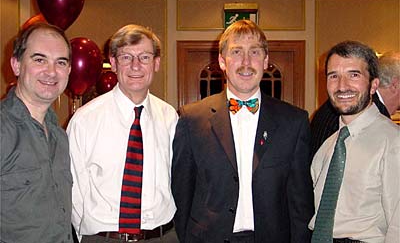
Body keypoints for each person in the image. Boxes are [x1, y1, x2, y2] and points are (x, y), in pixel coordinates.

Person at [171, 20, 314, 243]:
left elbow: (300, 203)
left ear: (266, 61)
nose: (246, 62)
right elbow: (182, 195)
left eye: (254, 52)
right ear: (222, 61)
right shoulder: (190, 119)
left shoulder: (294, 122)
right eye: (236, 52)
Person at [67, 24, 179, 242]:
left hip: (162, 236)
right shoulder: (84, 120)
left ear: (156, 63)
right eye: (126, 57)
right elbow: (73, 190)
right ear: (114, 63)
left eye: (144, 57)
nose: (135, 66)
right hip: (104, 237)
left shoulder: (170, 118)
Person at [309, 41, 400, 242]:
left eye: (354, 75)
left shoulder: (393, 142)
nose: (342, 86)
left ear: (374, 84)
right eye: (334, 76)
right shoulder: (327, 147)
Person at [0, 22, 74, 242]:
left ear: (69, 71)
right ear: (16, 65)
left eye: (60, 62)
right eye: (39, 59)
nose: (51, 72)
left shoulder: (60, 136)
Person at [310, 51, 400, 157]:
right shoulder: (369, 112)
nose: (342, 86)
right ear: (395, 84)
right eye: (334, 76)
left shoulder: (332, 106)